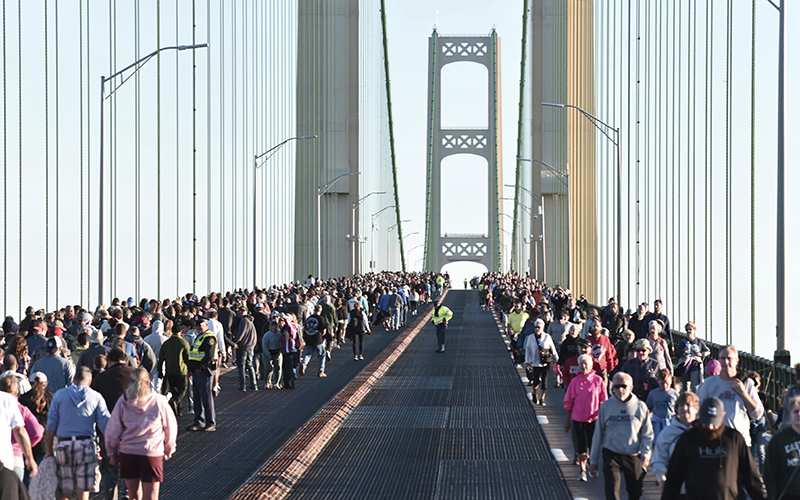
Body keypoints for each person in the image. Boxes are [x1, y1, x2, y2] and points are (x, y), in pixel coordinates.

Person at [661, 397, 767, 500]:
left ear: (723, 416)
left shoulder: (734, 439)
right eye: (706, 422)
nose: (710, 427)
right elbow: (674, 478)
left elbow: (750, 477)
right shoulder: (688, 439)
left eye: (714, 422)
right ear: (700, 414)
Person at [104, 368, 177, 500]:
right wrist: (168, 449)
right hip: (152, 453)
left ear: (130, 383)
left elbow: (112, 429)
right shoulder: (158, 401)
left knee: (133, 496)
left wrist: (112, 453)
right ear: (148, 382)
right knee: (151, 497)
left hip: (129, 453)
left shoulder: (123, 401)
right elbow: (170, 427)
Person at [45, 366, 110, 500]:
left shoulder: (60, 395)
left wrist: (49, 450)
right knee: (83, 489)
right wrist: (111, 447)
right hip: (86, 444)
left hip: (64, 444)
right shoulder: (96, 397)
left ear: (74, 379)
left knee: (64, 489)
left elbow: (51, 424)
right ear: (89, 381)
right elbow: (105, 424)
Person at [589, 372, 653, 500]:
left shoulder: (640, 406)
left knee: (635, 492)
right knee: (612, 492)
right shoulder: (606, 406)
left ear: (631, 387)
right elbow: (598, 434)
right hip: (612, 454)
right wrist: (593, 461)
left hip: (633, 454)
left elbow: (647, 434)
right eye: (616, 387)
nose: (620, 390)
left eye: (623, 386)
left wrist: (646, 453)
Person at [696, 345, 763, 448]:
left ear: (737, 361)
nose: (726, 362)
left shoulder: (746, 383)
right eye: (722, 358)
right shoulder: (709, 383)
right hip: (715, 441)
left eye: (729, 359)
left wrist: (743, 393)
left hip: (740, 443)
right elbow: (698, 411)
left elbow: (757, 414)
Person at [91, 349, 135, 500]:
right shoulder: (134, 374)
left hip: (108, 429)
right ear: (125, 359)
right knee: (131, 465)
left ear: (109, 361)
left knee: (110, 468)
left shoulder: (101, 378)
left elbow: (93, 404)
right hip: (132, 428)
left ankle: (111, 497)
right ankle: (131, 492)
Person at [564, 354, 607, 482]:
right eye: (581, 364)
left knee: (592, 444)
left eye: (586, 364)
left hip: (594, 419)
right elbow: (568, 401)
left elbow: (604, 401)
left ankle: (591, 464)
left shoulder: (598, 381)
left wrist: (604, 419)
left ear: (591, 366)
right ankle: (582, 471)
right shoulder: (575, 382)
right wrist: (567, 421)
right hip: (578, 419)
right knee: (581, 446)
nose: (583, 366)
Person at [651, 391, 699, 494]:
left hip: (700, 491)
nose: (684, 408)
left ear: (696, 409)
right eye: (681, 405)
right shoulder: (668, 433)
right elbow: (658, 460)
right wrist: (662, 479)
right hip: (676, 490)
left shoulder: (704, 432)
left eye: (688, 405)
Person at [764, 395, 800, 500]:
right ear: (789, 414)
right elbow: (770, 474)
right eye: (795, 411)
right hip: (787, 495)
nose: (799, 414)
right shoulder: (779, 440)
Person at [186, 317, 217, 432]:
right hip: (196, 371)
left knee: (206, 398)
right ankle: (199, 421)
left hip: (204, 371)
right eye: (197, 325)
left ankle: (210, 422)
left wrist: (200, 368)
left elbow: (208, 356)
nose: (199, 327)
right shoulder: (199, 337)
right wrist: (191, 369)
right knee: (197, 397)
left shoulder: (209, 337)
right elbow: (194, 355)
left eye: (201, 325)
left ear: (206, 325)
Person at [157, 322, 190, 418]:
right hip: (181, 370)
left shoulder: (166, 343)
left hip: (169, 370)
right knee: (182, 389)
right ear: (180, 332)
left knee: (174, 389)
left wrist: (160, 370)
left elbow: (161, 358)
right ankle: (175, 401)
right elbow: (187, 357)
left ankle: (179, 410)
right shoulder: (184, 343)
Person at [524, 318, 558, 406]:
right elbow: (527, 350)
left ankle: (542, 398)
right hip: (534, 363)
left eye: (539, 327)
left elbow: (553, 349)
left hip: (545, 363)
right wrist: (527, 361)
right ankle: (534, 393)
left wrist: (557, 360)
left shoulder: (547, 337)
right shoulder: (531, 337)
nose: (537, 329)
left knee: (544, 381)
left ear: (543, 327)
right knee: (535, 381)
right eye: (535, 327)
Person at [675, 322, 710, 392]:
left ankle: (695, 401)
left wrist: (700, 354)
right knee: (685, 388)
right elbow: (677, 354)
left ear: (694, 330)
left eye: (690, 329)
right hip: (685, 366)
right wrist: (684, 351)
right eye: (687, 330)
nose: (688, 331)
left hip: (695, 366)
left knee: (695, 387)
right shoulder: (683, 342)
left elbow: (708, 351)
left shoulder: (699, 341)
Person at [645, 369, 678, 443]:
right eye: (662, 383)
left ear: (671, 381)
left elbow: (678, 409)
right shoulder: (653, 393)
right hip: (657, 423)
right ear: (658, 381)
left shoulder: (675, 394)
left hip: (670, 421)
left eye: (666, 383)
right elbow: (648, 408)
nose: (665, 386)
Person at [232, 307, 258, 391]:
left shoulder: (244, 321)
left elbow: (241, 334)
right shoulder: (251, 321)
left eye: (242, 310)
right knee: (250, 365)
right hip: (250, 346)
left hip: (243, 346)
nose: (240, 312)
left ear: (246, 312)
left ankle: (243, 386)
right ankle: (254, 384)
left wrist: (235, 341)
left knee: (241, 366)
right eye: (239, 310)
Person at [299, 304, 328, 378]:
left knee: (308, 354)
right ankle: (321, 371)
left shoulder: (309, 318)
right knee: (322, 354)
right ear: (320, 311)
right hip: (317, 339)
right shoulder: (321, 318)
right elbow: (324, 330)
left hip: (309, 338)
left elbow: (305, 328)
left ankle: (304, 364)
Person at [261, 319, 283, 389]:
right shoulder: (267, 335)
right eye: (272, 325)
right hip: (268, 353)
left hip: (277, 353)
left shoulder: (280, 335)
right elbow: (264, 346)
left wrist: (279, 354)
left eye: (275, 325)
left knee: (278, 368)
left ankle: (277, 382)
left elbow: (282, 346)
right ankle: (267, 382)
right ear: (270, 326)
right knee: (268, 368)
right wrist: (268, 355)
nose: (274, 327)